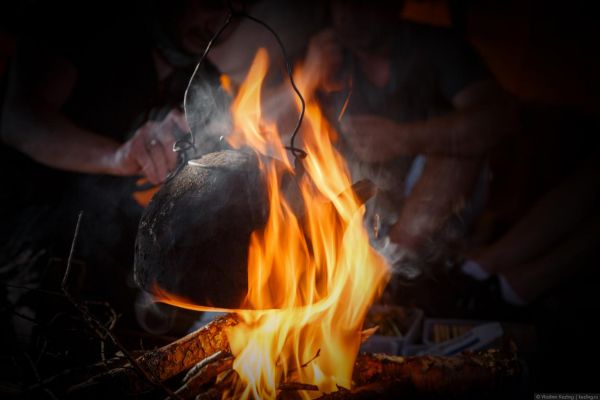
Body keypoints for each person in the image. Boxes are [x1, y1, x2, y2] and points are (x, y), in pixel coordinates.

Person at [0, 0, 239, 339]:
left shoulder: (204, 80)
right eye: (211, 2)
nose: (221, 19)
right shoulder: (86, 27)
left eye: (236, 9)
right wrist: (117, 156)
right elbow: (18, 121)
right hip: (35, 243)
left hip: (120, 262)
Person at [301, 0, 519, 276]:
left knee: (457, 149)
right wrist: (308, 74)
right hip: (357, 201)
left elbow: (497, 118)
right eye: (340, 4)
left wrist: (403, 138)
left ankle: (393, 266)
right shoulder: (326, 52)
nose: (349, 14)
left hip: (436, 201)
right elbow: (261, 126)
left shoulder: (435, 45)